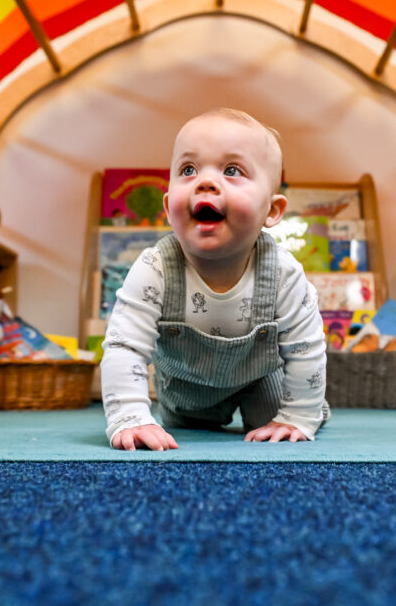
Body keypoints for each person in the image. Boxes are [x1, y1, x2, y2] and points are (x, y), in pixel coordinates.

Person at [100, 108, 329, 450]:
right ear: (167, 206)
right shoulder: (155, 268)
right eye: (188, 170)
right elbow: (125, 346)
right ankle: (183, 415)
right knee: (184, 429)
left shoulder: (283, 272)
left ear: (272, 210)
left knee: (274, 424)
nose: (204, 182)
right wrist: (130, 416)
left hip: (259, 381)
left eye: (232, 170)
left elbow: (306, 349)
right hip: (183, 386)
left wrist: (298, 416)